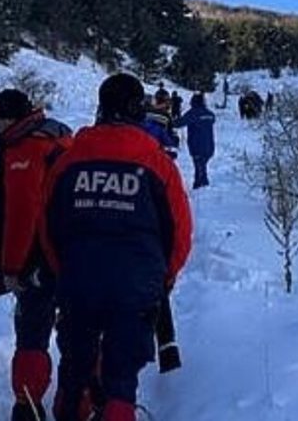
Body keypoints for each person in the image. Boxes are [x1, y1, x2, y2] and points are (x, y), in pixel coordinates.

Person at [41, 73, 193, 421]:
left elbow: (47, 224)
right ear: (138, 109)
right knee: (121, 379)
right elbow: (180, 231)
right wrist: (162, 279)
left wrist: (62, 270)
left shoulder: (68, 161)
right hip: (136, 285)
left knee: (75, 369)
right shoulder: (157, 163)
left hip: (78, 280)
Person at [0, 89, 73, 421]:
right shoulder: (58, 137)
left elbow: (23, 213)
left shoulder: (25, 149)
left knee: (32, 335)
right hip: (72, 255)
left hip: (37, 261)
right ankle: (75, 399)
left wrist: (11, 268)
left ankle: (28, 406)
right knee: (75, 332)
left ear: (10, 119)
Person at [173, 92, 216, 189]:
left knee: (199, 166)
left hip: (197, 146)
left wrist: (170, 121)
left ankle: (200, 185)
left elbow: (179, 123)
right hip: (209, 145)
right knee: (201, 165)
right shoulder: (210, 114)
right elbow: (213, 119)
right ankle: (201, 184)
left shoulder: (193, 113)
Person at [141, 92, 180, 158]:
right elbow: (167, 138)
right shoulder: (165, 116)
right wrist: (175, 140)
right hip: (154, 151)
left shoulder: (139, 113)